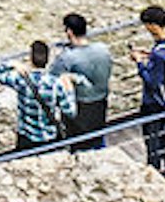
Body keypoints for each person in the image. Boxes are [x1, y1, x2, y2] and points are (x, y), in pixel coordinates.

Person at [133, 7, 165, 182]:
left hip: (154, 102)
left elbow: (152, 81)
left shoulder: (160, 54)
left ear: (154, 26)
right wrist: (150, 56)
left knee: (152, 141)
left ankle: (154, 176)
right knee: (161, 137)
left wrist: (140, 63)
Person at [48, 13, 115, 144]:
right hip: (100, 100)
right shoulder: (103, 49)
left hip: (80, 104)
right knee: (97, 136)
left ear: (69, 32)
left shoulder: (67, 57)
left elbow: (52, 77)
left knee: (78, 141)